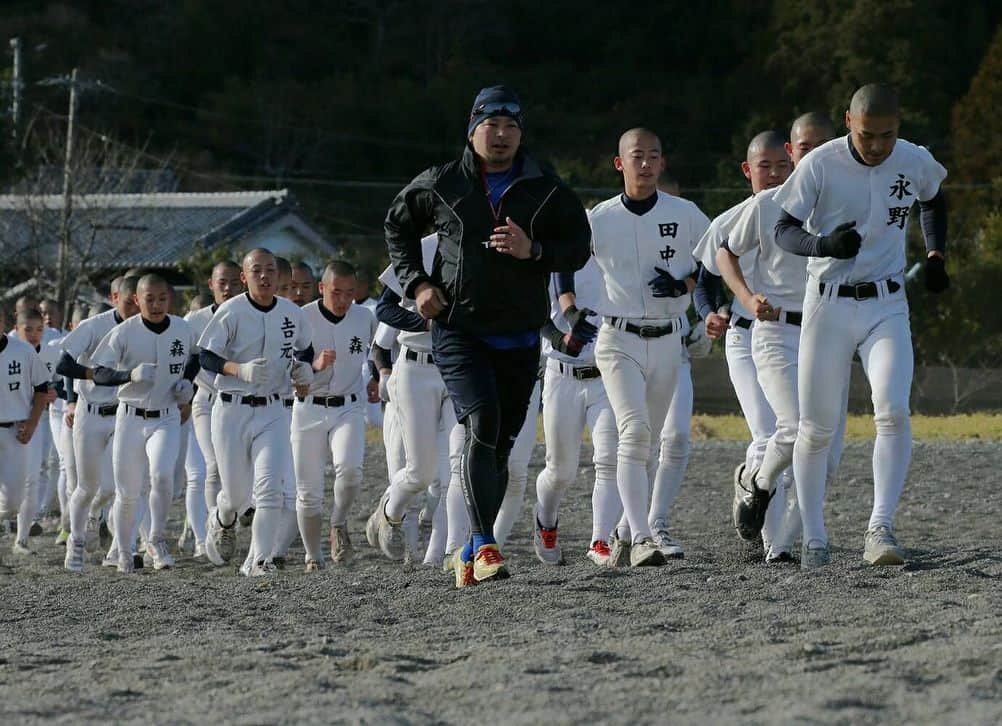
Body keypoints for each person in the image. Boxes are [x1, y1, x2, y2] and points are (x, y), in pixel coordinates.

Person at [384, 85, 590, 585]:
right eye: (491, 126)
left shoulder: (545, 186)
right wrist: (417, 282)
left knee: (499, 445)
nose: (500, 136)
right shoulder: (442, 182)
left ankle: (471, 551)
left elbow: (578, 248)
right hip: (459, 330)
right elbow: (397, 227)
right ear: (472, 128)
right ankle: (484, 544)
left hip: (519, 334)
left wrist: (533, 251)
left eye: (511, 127)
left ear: (521, 133)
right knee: (482, 422)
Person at [773, 84, 949, 568]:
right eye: (868, 135)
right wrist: (824, 245)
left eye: (887, 136)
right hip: (827, 304)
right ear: (849, 121)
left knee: (892, 410)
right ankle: (813, 534)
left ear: (901, 125)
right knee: (816, 428)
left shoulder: (913, 159)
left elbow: (934, 198)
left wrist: (935, 253)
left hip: (886, 304)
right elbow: (783, 228)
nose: (876, 146)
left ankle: (880, 527)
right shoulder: (820, 164)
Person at [590, 127, 709, 567]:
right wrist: (567, 310)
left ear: (662, 164)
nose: (645, 163)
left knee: (652, 439)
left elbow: (716, 262)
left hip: (667, 340)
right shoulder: (598, 219)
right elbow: (566, 268)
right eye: (636, 156)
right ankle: (642, 536)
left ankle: (624, 530)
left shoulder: (688, 213)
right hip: (617, 338)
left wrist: (685, 284)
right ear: (619, 163)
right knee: (634, 432)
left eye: (653, 156)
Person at [198, 248, 312, 576]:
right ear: (244, 277)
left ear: (280, 276)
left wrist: (303, 371)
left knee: (269, 488)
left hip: (273, 410)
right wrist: (238, 370)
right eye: (257, 271)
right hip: (232, 409)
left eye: (271, 270)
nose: (264, 277)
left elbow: (305, 348)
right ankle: (222, 518)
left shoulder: (292, 313)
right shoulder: (231, 311)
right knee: (235, 496)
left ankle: (258, 561)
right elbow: (206, 356)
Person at [90, 274, 198, 572]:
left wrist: (188, 383)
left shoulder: (182, 328)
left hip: (166, 416)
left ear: (169, 299)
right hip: (131, 417)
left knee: (163, 476)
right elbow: (99, 372)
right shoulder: (125, 332)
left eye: (161, 298)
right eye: (148, 299)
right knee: (128, 492)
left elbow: (195, 358)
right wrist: (129, 375)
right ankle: (124, 550)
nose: (156, 304)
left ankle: (156, 538)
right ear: (136, 300)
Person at [533, 259, 616, 565]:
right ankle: (546, 520)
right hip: (561, 374)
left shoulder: (619, 259)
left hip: (607, 374)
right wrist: (559, 338)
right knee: (560, 471)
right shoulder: (552, 259)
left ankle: (601, 540)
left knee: (609, 458)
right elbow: (535, 313)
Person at [294, 261, 375, 571]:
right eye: (336, 292)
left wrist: (374, 377)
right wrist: (313, 366)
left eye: (350, 293)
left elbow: (373, 352)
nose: (343, 300)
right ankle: (313, 556)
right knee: (309, 492)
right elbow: (291, 367)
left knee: (351, 470)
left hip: (349, 405)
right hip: (309, 407)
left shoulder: (364, 317)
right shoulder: (302, 318)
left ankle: (339, 524)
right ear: (322, 288)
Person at [57, 276, 141, 573]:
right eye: (129, 301)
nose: (135, 307)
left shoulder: (145, 329)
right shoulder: (94, 326)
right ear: (115, 297)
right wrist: (97, 375)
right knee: (87, 485)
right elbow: (63, 365)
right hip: (90, 412)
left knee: (119, 485)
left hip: (123, 413)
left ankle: (121, 546)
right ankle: (75, 543)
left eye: (138, 302)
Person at [184, 262, 243, 559]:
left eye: (235, 281)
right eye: (223, 282)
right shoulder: (194, 320)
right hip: (207, 399)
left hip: (242, 402)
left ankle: (229, 519)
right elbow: (187, 360)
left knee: (241, 471)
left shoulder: (250, 313)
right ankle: (213, 528)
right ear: (211, 284)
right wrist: (181, 392)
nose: (228, 287)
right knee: (212, 467)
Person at [0, 315, 51, 560]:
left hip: (16, 430)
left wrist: (32, 423)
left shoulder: (22, 351)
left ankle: (19, 535)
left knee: (12, 501)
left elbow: (43, 388)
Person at [10, 309, 58, 554]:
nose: (33, 334)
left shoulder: (49, 351)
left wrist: (53, 392)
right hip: (9, 422)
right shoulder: (9, 351)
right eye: (27, 329)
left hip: (36, 420)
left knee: (33, 477)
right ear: (16, 329)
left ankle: (22, 538)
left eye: (39, 329)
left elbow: (57, 382)